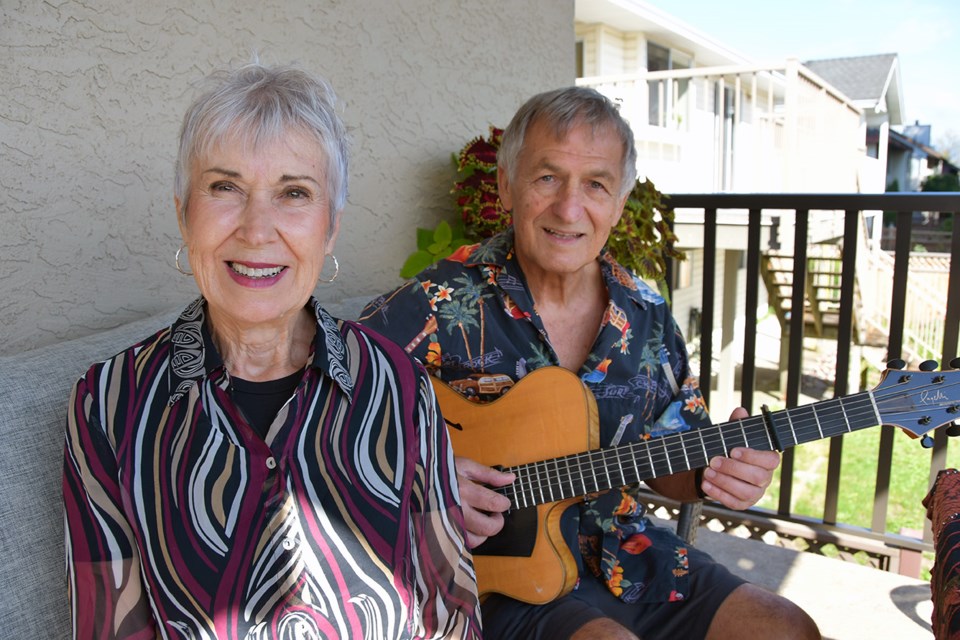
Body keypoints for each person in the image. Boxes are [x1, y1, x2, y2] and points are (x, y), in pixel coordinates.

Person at [359, 86, 820, 640]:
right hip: (489, 574)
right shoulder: (438, 303)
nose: (569, 208)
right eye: (547, 177)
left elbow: (673, 457)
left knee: (785, 627)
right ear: (507, 185)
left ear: (618, 204)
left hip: (628, 553)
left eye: (596, 185)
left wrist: (715, 471)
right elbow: (324, 411)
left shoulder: (645, 315)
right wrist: (424, 474)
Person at [62, 61, 481, 639]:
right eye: (225, 187)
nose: (257, 230)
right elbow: (106, 628)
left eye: (294, 193)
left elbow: (449, 613)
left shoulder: (398, 385)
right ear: (184, 212)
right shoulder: (109, 404)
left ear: (330, 227)